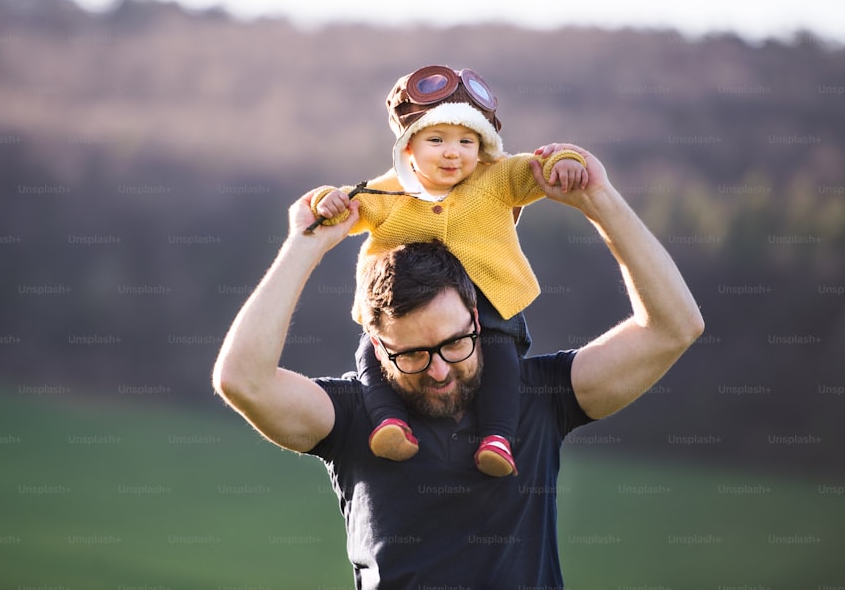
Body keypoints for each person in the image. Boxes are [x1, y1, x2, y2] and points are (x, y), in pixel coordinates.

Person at [212, 145, 704, 589]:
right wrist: (305, 245)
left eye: (454, 344)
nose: (440, 370)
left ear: (475, 318)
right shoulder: (351, 417)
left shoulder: (539, 397)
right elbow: (242, 380)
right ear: (377, 345)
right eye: (411, 355)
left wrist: (599, 202)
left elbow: (674, 327)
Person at [309, 64, 588, 476]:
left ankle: (498, 437)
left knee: (501, 356)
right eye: (436, 140)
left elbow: (538, 169)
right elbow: (346, 205)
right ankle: (389, 422)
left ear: (483, 146)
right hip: (404, 307)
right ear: (409, 149)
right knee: (374, 350)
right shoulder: (389, 189)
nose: (452, 152)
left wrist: (564, 160)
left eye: (466, 140)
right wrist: (324, 202)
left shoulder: (497, 177)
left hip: (489, 296)